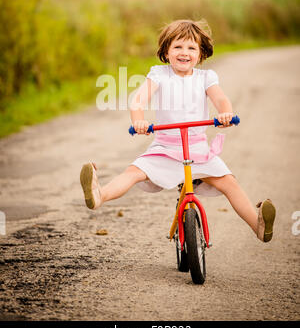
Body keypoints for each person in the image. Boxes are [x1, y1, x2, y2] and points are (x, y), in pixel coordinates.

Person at [80, 19, 276, 243]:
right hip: (165, 147)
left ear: (201, 53)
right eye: (178, 47)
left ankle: (258, 225)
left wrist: (226, 114)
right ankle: (99, 195)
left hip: (197, 149)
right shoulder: (159, 74)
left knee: (229, 183)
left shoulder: (205, 78)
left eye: (192, 48)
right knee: (133, 173)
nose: (185, 53)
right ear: (166, 51)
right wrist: (139, 121)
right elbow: (139, 100)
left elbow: (220, 98)